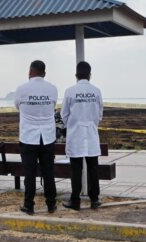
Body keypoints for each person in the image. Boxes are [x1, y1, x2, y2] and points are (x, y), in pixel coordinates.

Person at [14, 60, 58, 215]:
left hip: (28, 137)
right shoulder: (52, 89)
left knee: (29, 174)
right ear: (44, 73)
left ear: (30, 72)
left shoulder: (21, 89)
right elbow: (52, 106)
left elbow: (17, 106)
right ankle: (51, 204)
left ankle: (29, 205)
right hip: (47, 137)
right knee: (48, 172)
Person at [61, 61, 104, 210]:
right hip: (91, 134)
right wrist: (91, 124)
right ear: (90, 75)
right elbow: (99, 115)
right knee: (93, 169)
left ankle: (75, 201)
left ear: (76, 75)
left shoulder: (70, 91)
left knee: (76, 170)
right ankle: (94, 199)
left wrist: (73, 125)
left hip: (75, 135)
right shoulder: (96, 91)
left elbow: (64, 114)